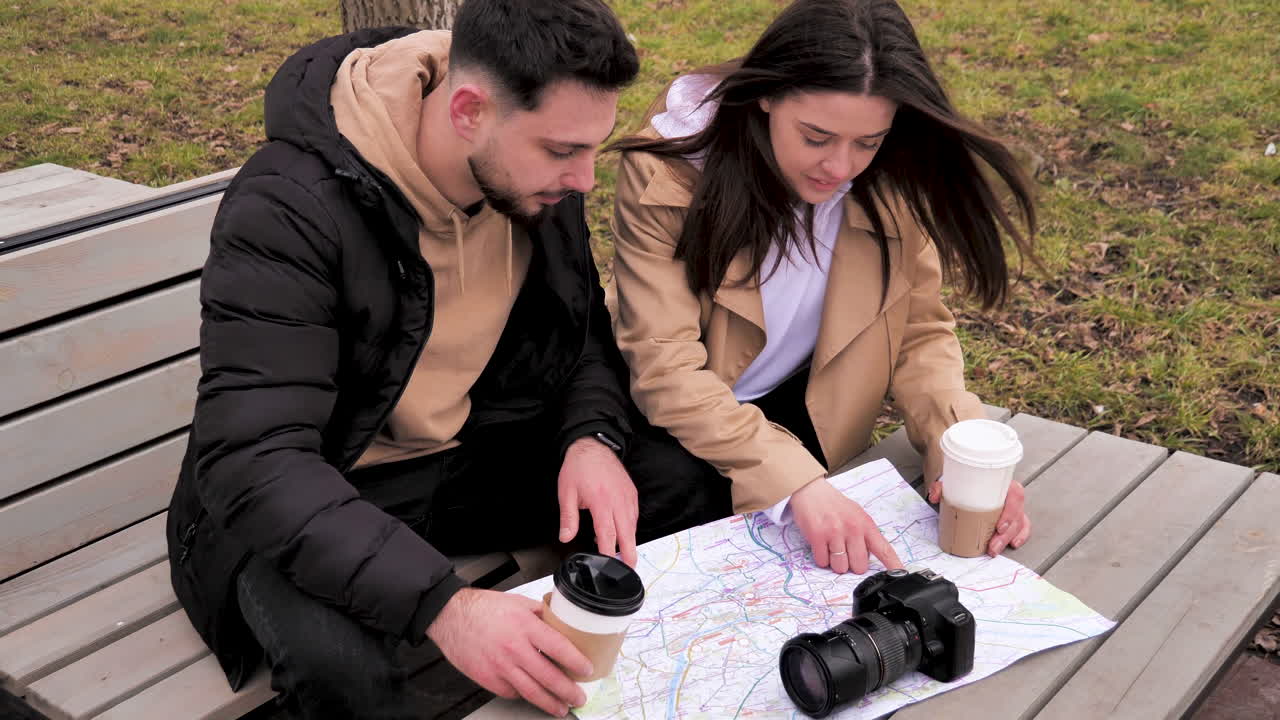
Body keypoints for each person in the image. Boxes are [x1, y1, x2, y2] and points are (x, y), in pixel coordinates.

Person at [166, 2, 731, 718]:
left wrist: (590, 436)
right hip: (314, 486)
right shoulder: (289, 206)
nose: (586, 180)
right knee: (354, 676)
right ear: (468, 109)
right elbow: (252, 459)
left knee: (683, 482)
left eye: (594, 148)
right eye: (564, 151)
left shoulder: (526, 174)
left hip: (462, 458)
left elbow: (580, 331)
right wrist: (446, 606)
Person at [606, 0, 1036, 578]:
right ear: (767, 95)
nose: (840, 166)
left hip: (802, 402)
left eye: (867, 142)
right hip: (676, 419)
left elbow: (919, 333)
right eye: (816, 136)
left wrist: (956, 450)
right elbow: (666, 368)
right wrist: (796, 482)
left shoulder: (892, 178)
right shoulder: (675, 173)